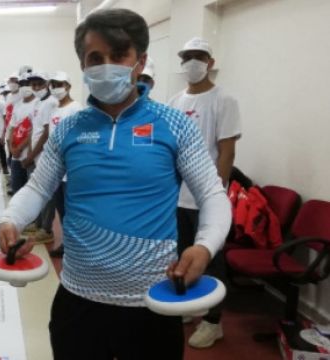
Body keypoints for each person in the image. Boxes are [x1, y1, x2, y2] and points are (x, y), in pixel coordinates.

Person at [0, 9, 231, 359]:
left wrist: (205, 246)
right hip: (78, 301)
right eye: (95, 58)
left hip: (152, 303)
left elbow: (213, 194)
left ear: (140, 61)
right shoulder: (68, 128)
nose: (107, 65)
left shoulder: (175, 125)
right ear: (83, 65)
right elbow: (37, 188)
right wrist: (10, 220)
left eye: (119, 55)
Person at [168, 37, 241, 349]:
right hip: (177, 197)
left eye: (199, 56)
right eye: (187, 56)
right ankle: (188, 305)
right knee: (180, 253)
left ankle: (213, 322)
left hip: (205, 198)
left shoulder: (224, 100)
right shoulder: (175, 101)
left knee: (212, 258)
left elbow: (226, 153)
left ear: (210, 62)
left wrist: (217, 197)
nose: (192, 62)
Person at [46, 71, 83, 258]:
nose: (55, 88)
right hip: (57, 170)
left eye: (59, 84)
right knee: (61, 209)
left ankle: (76, 246)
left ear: (68, 86)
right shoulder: (54, 109)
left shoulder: (76, 108)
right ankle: (67, 245)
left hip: (71, 170)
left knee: (72, 211)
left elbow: (81, 138)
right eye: (53, 84)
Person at [23, 71, 58, 243]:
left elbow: (45, 133)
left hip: (44, 155)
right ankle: (37, 223)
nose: (36, 88)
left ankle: (46, 229)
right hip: (34, 156)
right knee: (35, 192)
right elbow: (33, 130)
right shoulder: (37, 102)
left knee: (46, 194)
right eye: (33, 85)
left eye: (40, 84)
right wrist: (29, 153)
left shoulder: (52, 102)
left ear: (48, 83)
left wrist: (32, 154)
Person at [7, 74, 37, 194]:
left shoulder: (37, 104)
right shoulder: (17, 105)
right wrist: (11, 148)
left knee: (30, 192)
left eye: (27, 84)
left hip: (29, 156)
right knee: (17, 189)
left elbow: (35, 131)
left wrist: (19, 148)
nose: (25, 87)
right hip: (16, 156)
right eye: (22, 84)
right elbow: (12, 128)